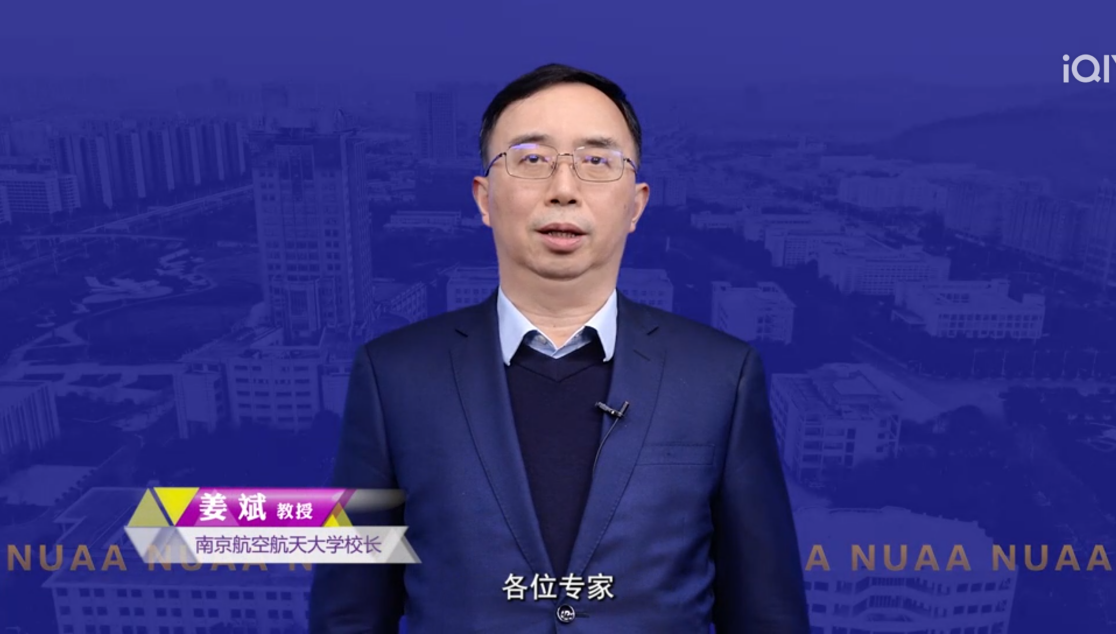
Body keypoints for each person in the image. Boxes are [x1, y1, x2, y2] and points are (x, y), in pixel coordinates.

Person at [309, 63, 810, 633]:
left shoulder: (722, 375)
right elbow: (348, 611)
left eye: (596, 161)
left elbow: (768, 615)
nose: (564, 190)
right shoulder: (393, 375)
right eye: (531, 159)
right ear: (484, 198)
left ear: (637, 204)